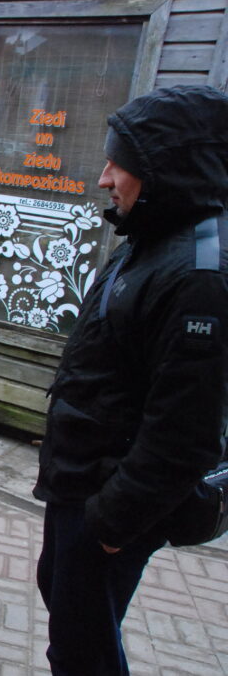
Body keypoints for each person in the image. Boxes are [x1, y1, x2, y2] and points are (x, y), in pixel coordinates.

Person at [34, 85, 228, 675]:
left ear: (162, 170)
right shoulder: (153, 236)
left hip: (106, 494)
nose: (103, 178)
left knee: (80, 649)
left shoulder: (202, 277)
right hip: (81, 477)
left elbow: (185, 432)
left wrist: (113, 523)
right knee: (71, 613)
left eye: (120, 163)